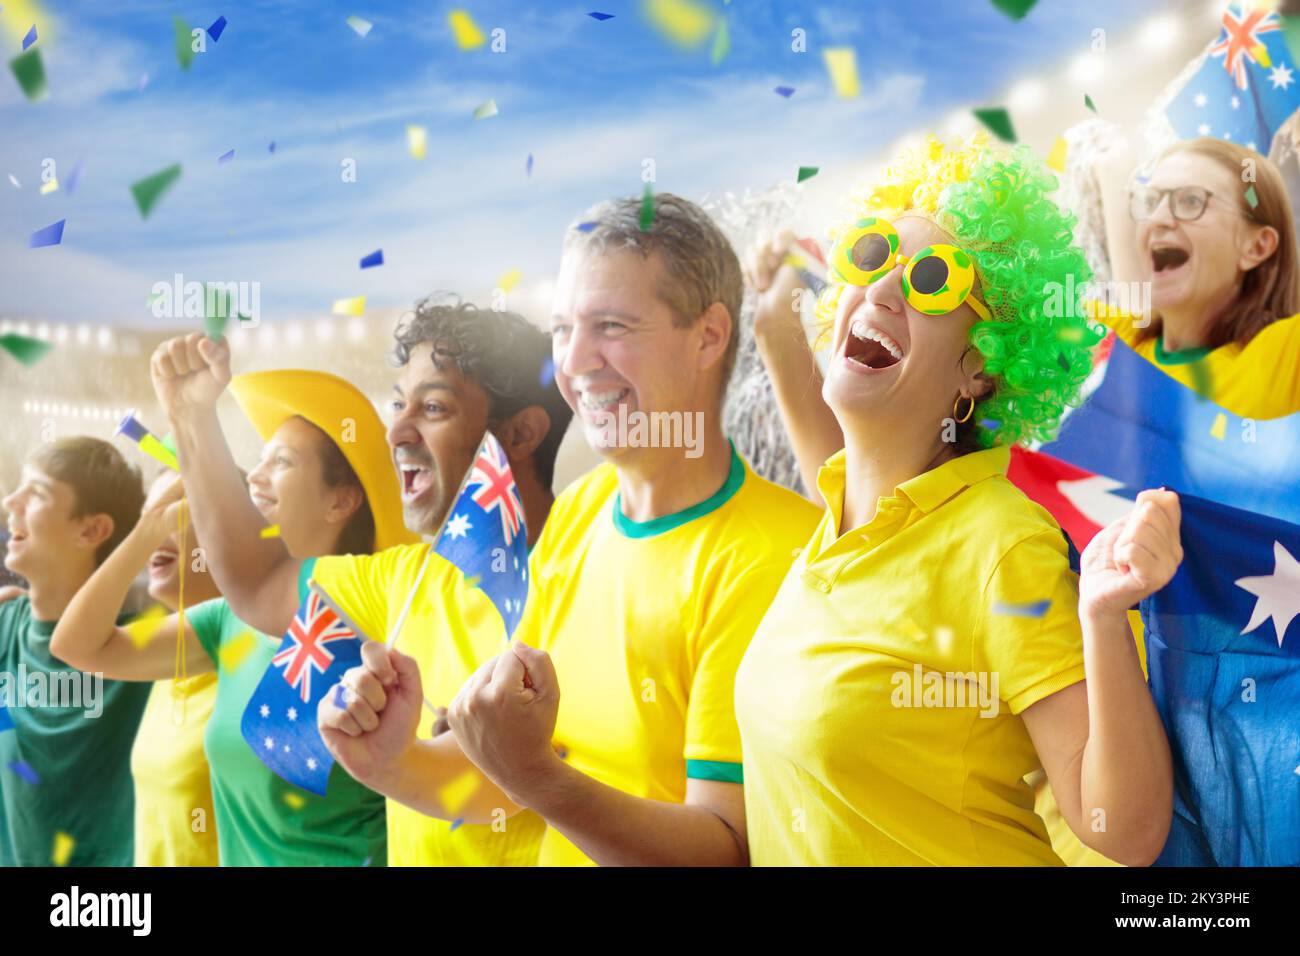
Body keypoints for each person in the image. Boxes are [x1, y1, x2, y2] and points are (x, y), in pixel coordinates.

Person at [320, 194, 821, 865]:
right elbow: (506, 777)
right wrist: (390, 762)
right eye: (562, 330)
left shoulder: (777, 553)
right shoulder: (582, 510)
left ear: (708, 335)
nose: (575, 363)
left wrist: (536, 777)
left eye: (611, 325)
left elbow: (724, 849)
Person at [735, 133, 1179, 865]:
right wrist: (774, 330)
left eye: (932, 278)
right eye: (873, 255)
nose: (882, 289)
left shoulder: (999, 542)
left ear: (979, 367)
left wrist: (1100, 618)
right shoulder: (843, 522)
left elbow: (1123, 828)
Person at [145, 300, 570, 866]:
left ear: (521, 433)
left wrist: (394, 760)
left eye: (434, 407)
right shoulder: (407, 577)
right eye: (400, 404)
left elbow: (509, 784)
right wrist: (192, 417)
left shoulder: (584, 569)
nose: (396, 428)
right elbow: (252, 578)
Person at [53, 371, 407, 866]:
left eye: (281, 461)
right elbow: (80, 647)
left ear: (341, 500)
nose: (256, 476)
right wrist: (150, 528)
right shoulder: (230, 620)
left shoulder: (383, 615)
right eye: (258, 460)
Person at [0, 436, 148, 866]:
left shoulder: (143, 650)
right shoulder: (6, 626)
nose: (12, 500)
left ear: (92, 530)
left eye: (38, 492)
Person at [1094, 135, 1300, 419]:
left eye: (1191, 201)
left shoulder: (1284, 359)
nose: (1157, 219)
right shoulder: (1111, 335)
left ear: (1256, 246)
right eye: (1151, 201)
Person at [129, 469, 224, 866]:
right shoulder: (165, 659)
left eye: (171, 513)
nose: (152, 531)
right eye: (147, 515)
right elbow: (70, 643)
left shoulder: (257, 662)